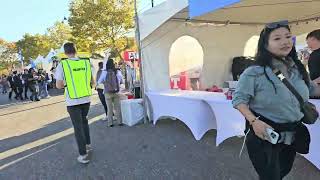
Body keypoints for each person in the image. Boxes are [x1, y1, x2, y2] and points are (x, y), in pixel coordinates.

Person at [232, 20, 320, 180]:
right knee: (270, 176)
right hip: (265, 135)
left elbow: (311, 90)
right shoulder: (254, 72)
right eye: (277, 38)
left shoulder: (298, 68)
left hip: (291, 134)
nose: (285, 41)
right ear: (265, 45)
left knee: (282, 172)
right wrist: (253, 121)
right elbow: (238, 100)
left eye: (288, 36)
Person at [55, 42, 95, 164]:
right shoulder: (87, 62)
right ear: (76, 50)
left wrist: (68, 84)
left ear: (65, 52)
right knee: (84, 121)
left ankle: (83, 155)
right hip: (86, 99)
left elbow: (58, 85)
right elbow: (92, 82)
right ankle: (88, 145)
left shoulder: (62, 65)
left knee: (78, 127)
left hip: (72, 101)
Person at [98, 58, 123, 127]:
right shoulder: (118, 71)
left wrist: (105, 83)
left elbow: (99, 82)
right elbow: (121, 81)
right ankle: (120, 122)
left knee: (109, 109)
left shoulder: (104, 72)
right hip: (116, 92)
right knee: (117, 108)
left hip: (107, 92)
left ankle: (110, 123)